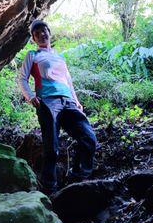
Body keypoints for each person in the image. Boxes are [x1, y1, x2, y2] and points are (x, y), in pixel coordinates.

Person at [17, 19, 97, 193]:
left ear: (49, 32)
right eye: (36, 33)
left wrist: (75, 100)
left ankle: (77, 178)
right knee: (51, 148)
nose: (41, 34)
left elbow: (68, 80)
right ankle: (49, 189)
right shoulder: (33, 55)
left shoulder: (59, 57)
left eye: (43, 30)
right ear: (33, 38)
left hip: (68, 101)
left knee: (89, 139)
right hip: (47, 101)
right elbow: (22, 78)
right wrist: (30, 96)